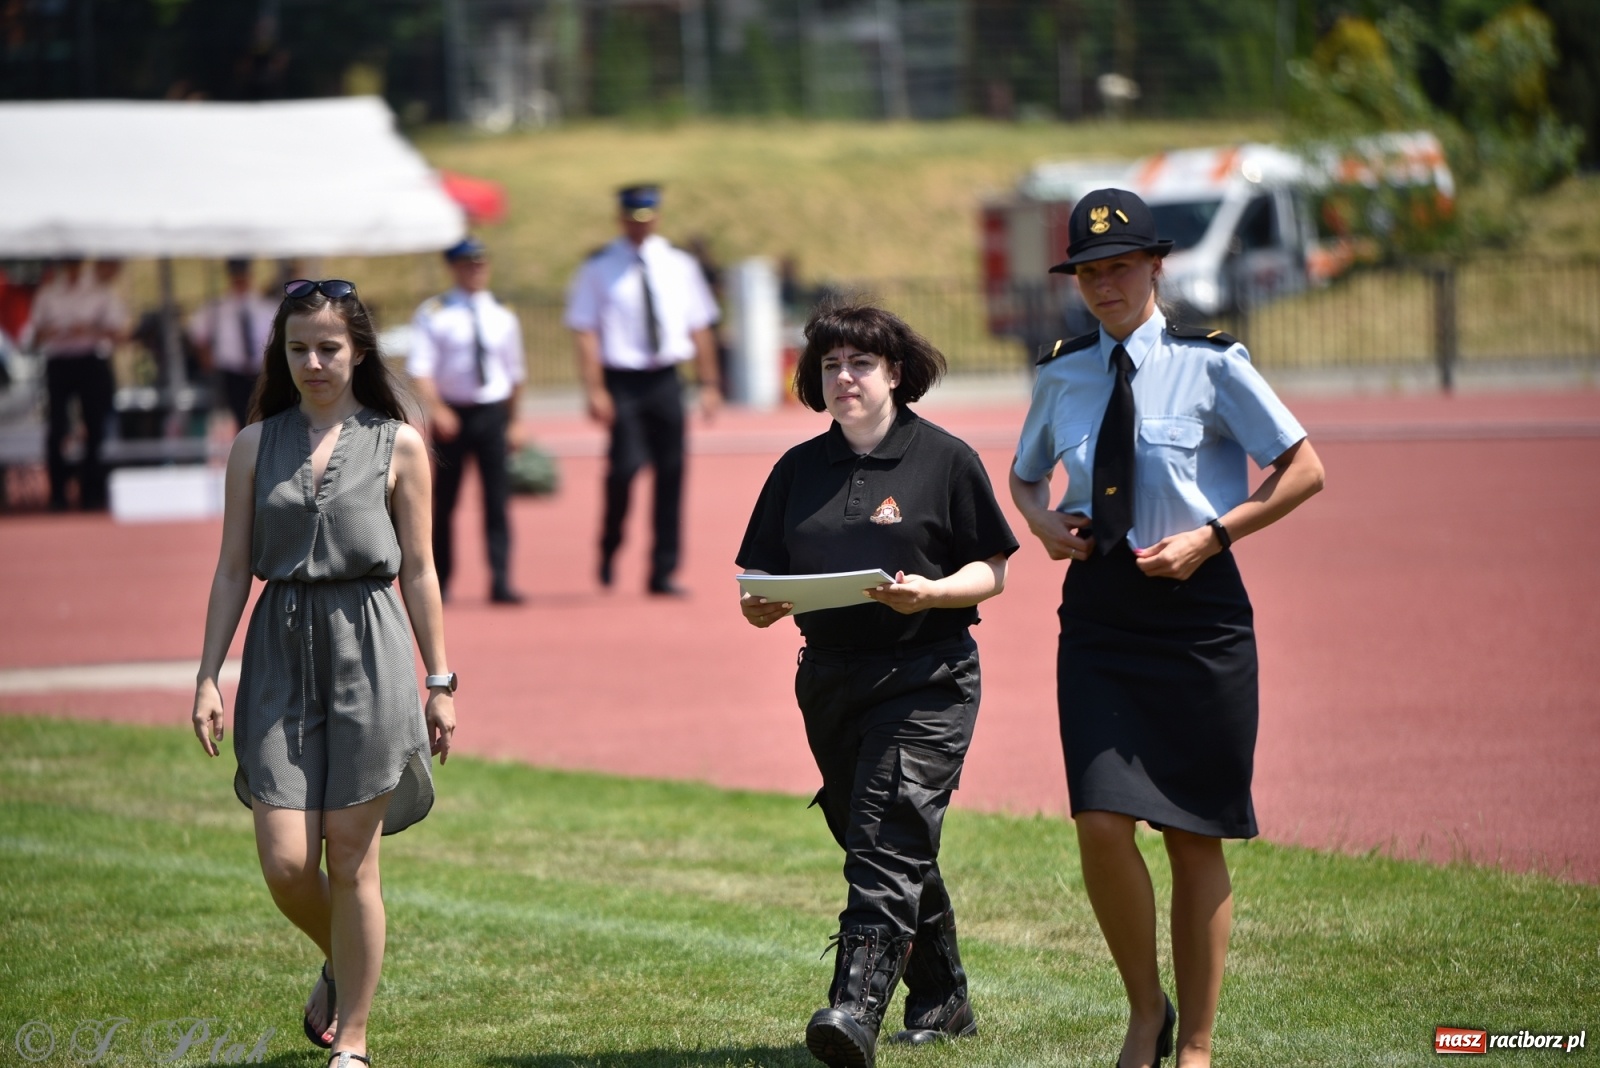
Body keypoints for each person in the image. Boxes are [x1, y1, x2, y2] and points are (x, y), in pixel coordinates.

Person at [1008, 189, 1325, 1068]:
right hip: (1102, 617)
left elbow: (1305, 470)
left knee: (1194, 834)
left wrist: (1215, 535)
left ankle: (1196, 1044)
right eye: (1088, 271)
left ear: (1156, 266)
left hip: (1200, 615)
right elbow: (1025, 476)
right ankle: (1144, 1012)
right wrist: (1040, 524)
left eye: (1119, 267)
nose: (1103, 285)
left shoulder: (1214, 363)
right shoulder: (1062, 371)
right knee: (1101, 821)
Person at [736, 300, 1018, 1068]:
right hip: (828, 678)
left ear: (895, 373)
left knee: (887, 834)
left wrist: (930, 593)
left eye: (860, 363)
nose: (844, 377)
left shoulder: (945, 459)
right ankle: (944, 996)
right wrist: (762, 606)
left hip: (927, 673)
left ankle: (854, 1008)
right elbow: (762, 574)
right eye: (831, 365)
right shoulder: (797, 469)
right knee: (871, 833)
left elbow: (989, 569)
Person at [191, 278, 457, 1068]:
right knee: (283, 862)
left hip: (369, 646)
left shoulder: (399, 442)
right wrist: (208, 673)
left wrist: (440, 682)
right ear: (281, 351)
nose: (313, 361)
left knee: (351, 856)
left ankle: (355, 1042)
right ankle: (345, 963)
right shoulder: (252, 444)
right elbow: (233, 567)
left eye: (329, 347)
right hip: (278, 648)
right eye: (298, 347)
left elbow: (420, 572)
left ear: (359, 351)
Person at [566, 184, 722, 596]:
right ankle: (610, 545)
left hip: (667, 378)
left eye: (648, 218)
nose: (641, 226)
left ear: (657, 217)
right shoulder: (599, 267)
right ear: (621, 219)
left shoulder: (679, 264)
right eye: (633, 219)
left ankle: (662, 570)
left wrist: (709, 383)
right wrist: (595, 388)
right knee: (624, 470)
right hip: (623, 381)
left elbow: (700, 324)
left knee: (672, 473)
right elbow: (585, 330)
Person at [408, 237, 527, 605]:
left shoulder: (502, 313)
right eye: (468, 264)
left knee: (497, 500)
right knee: (446, 501)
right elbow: (421, 369)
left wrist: (514, 421)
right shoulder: (435, 311)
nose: (476, 270)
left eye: (480, 263)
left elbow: (514, 374)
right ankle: (441, 581)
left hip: (491, 413)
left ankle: (501, 579)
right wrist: (438, 408)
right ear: (454, 268)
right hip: (453, 414)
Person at [25, 256, 129, 510]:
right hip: (59, 361)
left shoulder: (98, 292)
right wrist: (49, 333)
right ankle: (58, 494)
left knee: (94, 426)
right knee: (57, 428)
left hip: (89, 360)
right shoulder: (48, 294)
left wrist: (90, 331)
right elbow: (32, 338)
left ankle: (91, 492)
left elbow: (119, 333)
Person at [189, 257, 278, 430]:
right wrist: (207, 359)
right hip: (232, 371)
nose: (240, 280)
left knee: (263, 415)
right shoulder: (218, 307)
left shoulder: (265, 305)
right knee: (238, 418)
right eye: (236, 275)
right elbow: (197, 332)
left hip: (261, 369)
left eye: (243, 275)